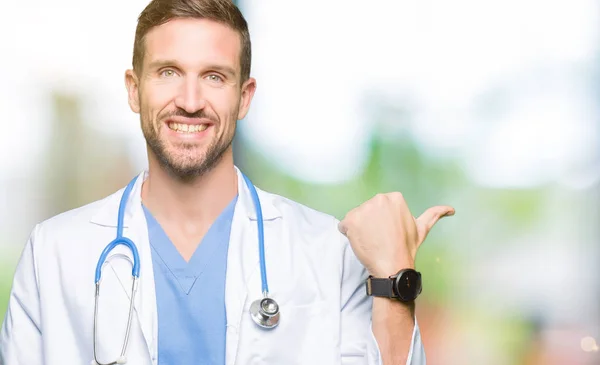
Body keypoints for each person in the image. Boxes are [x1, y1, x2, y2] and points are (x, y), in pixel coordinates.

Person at [0, 0, 454, 364]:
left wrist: (395, 276)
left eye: (214, 77)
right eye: (168, 72)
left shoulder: (326, 254)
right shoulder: (54, 254)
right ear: (133, 89)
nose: (191, 101)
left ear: (244, 97)